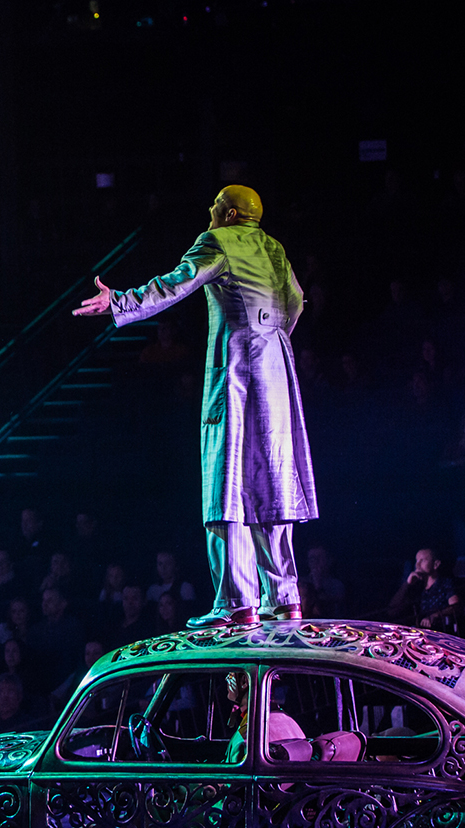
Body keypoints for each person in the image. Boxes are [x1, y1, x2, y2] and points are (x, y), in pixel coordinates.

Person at [75, 185, 315, 626]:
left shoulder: (217, 240)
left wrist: (119, 302)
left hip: (238, 371)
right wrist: (271, 339)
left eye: (217, 205)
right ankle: (284, 597)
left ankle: (236, 601)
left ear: (231, 213)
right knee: (272, 481)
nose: (210, 209)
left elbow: (176, 283)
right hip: (276, 370)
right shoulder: (273, 247)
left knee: (225, 483)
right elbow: (296, 302)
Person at [386, 548, 460, 627]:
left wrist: (435, 615)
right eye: (417, 560)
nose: (417, 565)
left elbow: (455, 606)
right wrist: (407, 584)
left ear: (436, 564)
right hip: (417, 630)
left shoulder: (445, 583)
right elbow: (392, 611)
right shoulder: (417, 586)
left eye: (423, 560)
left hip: (439, 629)